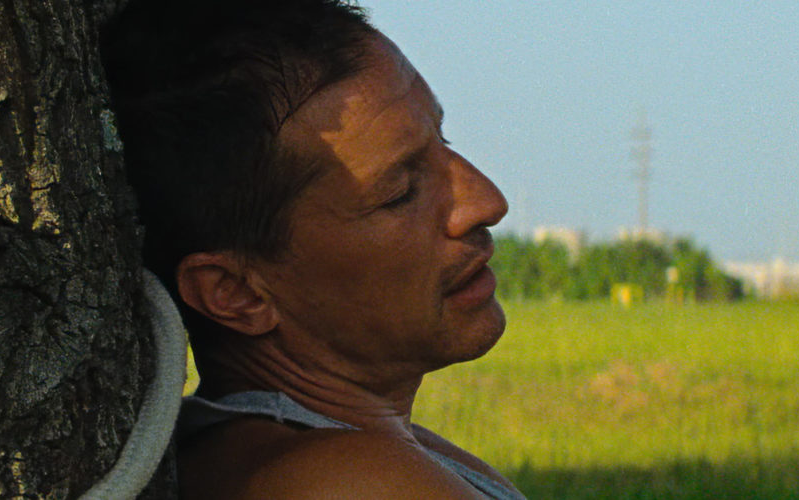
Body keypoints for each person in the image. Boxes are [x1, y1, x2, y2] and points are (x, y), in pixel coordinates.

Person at [102, 1, 524, 498]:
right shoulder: (351, 484)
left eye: (442, 140)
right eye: (399, 193)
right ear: (237, 292)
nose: (486, 202)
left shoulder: (377, 447)